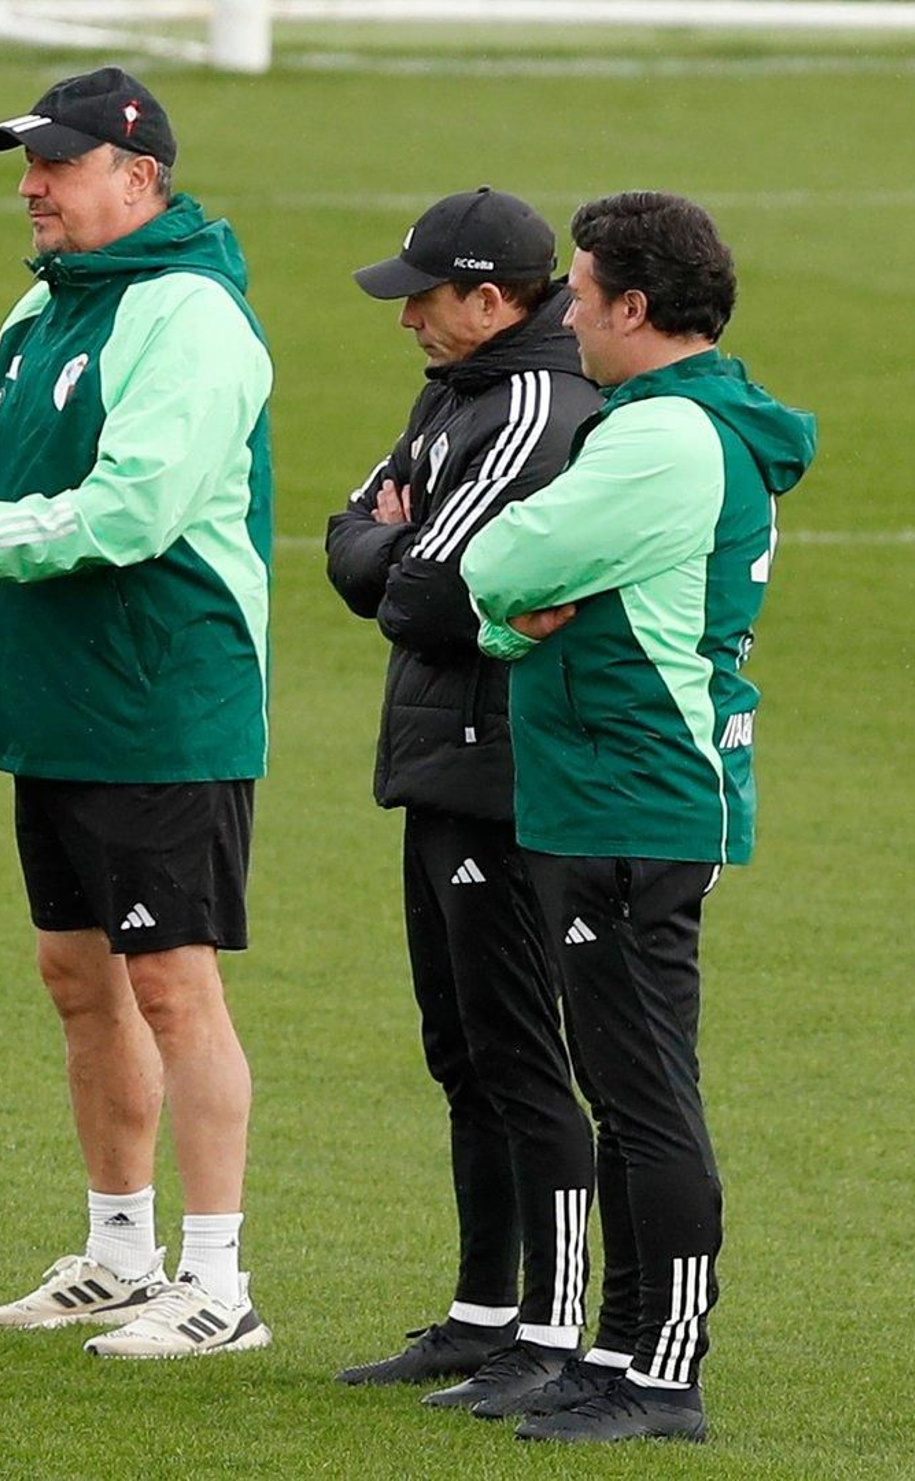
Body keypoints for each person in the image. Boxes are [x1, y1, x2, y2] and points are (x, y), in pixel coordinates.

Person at [0, 67, 274, 1360]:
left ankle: (218, 1282)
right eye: (29, 164)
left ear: (138, 178)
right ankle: (118, 1253)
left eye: (59, 164)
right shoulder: (47, 302)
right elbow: (0, 471)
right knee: (78, 976)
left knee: (172, 984)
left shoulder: (190, 317)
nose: (32, 187)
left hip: (159, 691)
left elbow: (137, 508)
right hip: (62, 691)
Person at [462, 191, 817, 1442]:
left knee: (647, 1091)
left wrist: (508, 605)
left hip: (636, 794)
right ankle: (614, 1351)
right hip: (615, 791)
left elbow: (498, 562)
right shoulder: (672, 421)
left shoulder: (664, 435)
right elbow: (517, 593)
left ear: (634, 306)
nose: (564, 313)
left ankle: (663, 1373)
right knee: (622, 1087)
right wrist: (514, 617)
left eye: (579, 291)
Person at [324, 188, 601, 1413]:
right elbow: (350, 539)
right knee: (462, 1050)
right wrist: (397, 548)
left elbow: (432, 597)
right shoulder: (455, 389)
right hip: (441, 759)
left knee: (520, 1055)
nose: (407, 320)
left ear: (491, 299)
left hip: (506, 774)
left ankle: (550, 1329)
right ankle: (483, 1312)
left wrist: (398, 550)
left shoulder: (535, 405)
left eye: (423, 298)